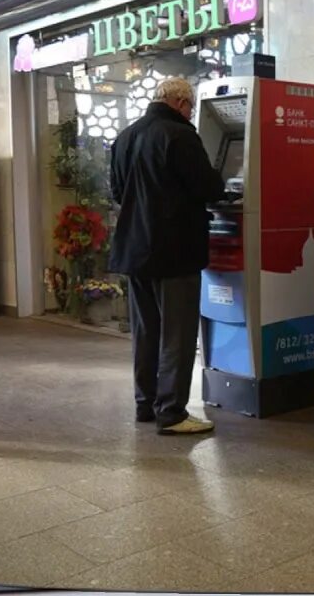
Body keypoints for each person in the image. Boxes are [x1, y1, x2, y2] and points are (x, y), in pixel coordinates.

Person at [109, 77, 225, 435]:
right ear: (179, 102)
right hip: (174, 250)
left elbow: (116, 191)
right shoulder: (180, 135)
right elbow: (209, 187)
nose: (191, 113)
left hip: (135, 250)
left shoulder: (125, 137)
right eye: (190, 107)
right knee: (177, 333)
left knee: (146, 332)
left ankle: (146, 404)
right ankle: (172, 413)